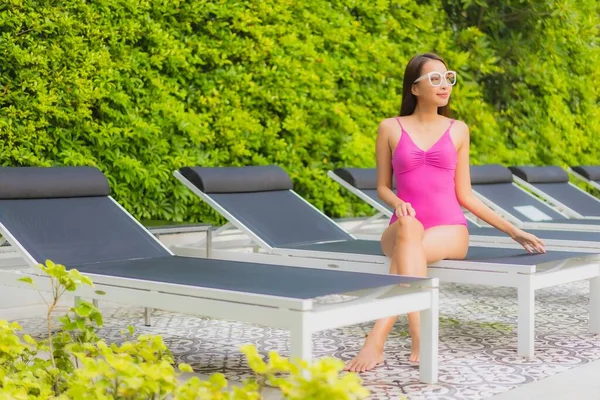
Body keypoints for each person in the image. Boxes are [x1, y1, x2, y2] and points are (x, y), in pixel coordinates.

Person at [344, 53, 546, 373]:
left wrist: (513, 230)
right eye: (435, 79)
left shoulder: (458, 130)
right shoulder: (389, 128)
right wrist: (396, 203)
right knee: (409, 231)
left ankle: (378, 341)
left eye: (448, 78)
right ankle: (419, 333)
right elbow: (382, 186)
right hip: (402, 225)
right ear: (414, 88)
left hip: (449, 229)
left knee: (408, 253)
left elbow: (464, 195)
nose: (444, 85)